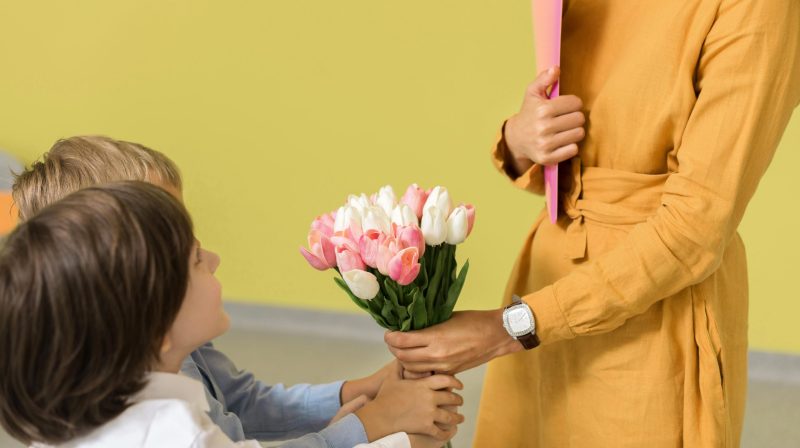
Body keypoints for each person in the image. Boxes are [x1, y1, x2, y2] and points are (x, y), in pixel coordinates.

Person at [385, 0, 800, 446]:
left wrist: (509, 327)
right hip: (545, 282)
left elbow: (694, 231)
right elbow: (585, 169)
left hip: (650, 310)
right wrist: (521, 138)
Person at [11, 137, 462, 447]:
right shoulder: (176, 428)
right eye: (188, 254)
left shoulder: (143, 363)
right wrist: (373, 426)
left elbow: (242, 404)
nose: (214, 257)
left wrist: (356, 397)